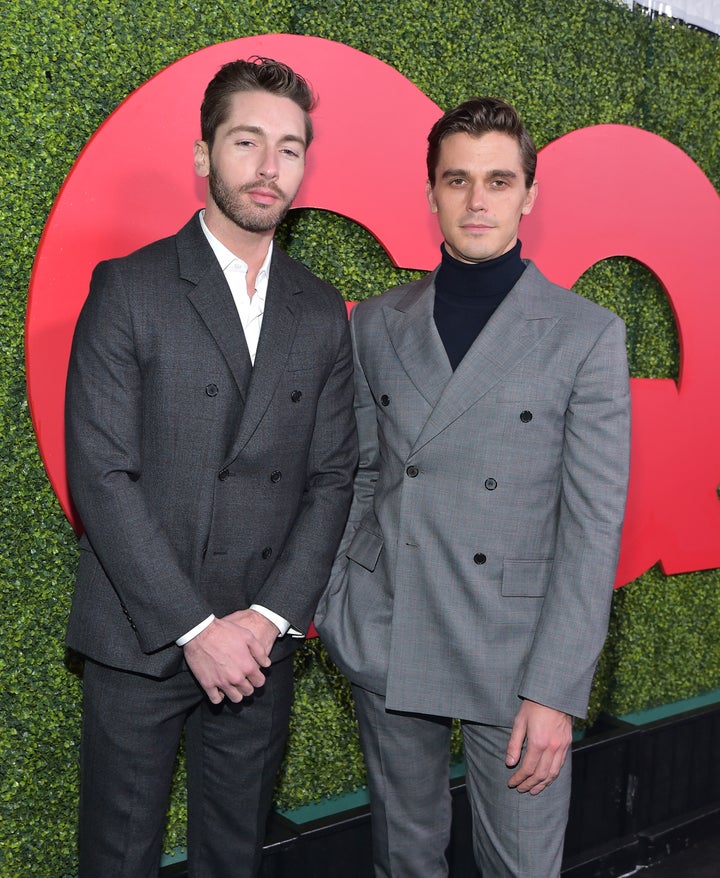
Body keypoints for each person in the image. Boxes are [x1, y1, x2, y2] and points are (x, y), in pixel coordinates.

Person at [314, 97, 631, 877]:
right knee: (403, 858)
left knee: (521, 864)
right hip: (394, 622)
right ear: (431, 193)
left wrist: (557, 691)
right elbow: (358, 471)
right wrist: (339, 597)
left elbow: (592, 527)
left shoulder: (587, 333)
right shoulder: (377, 323)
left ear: (529, 194)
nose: (477, 200)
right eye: (458, 180)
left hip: (517, 651)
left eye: (498, 180)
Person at [64, 56, 357, 878]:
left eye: (290, 148)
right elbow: (102, 475)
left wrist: (264, 622)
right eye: (247, 141)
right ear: (204, 156)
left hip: (261, 646)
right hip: (144, 639)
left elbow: (334, 476)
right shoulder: (129, 288)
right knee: (117, 859)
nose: (270, 168)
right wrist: (197, 629)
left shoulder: (320, 307)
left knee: (235, 857)